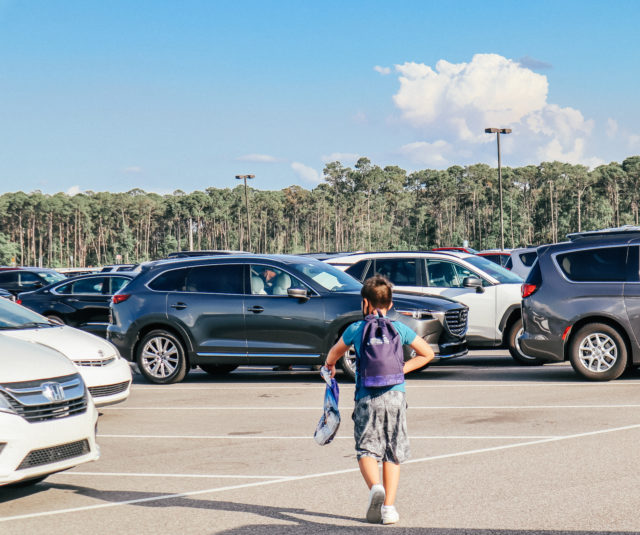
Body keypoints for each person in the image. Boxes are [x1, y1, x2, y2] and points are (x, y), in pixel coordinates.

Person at [324, 275, 435, 525]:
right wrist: (400, 370)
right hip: (396, 395)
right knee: (392, 451)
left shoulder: (356, 329)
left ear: (365, 303)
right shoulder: (399, 328)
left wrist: (329, 366)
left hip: (367, 395)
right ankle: (389, 509)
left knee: (366, 448)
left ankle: (375, 486)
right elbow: (427, 353)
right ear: (391, 302)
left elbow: (334, 353)